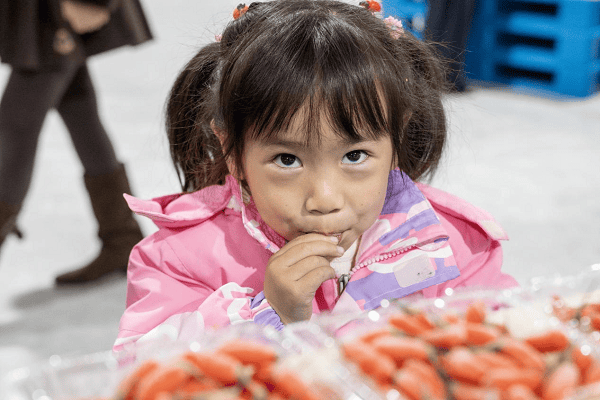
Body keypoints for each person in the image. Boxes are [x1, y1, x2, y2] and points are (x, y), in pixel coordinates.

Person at [114, 0, 517, 350]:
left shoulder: (450, 243)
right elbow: (144, 375)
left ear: (397, 138)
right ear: (231, 149)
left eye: (355, 155)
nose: (325, 199)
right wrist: (268, 315)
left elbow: (505, 350)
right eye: (287, 160)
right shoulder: (179, 259)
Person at [0, 0, 152, 284]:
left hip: (53, 10)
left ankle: (122, 238)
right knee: (78, 111)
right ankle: (122, 238)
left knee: (15, 126)